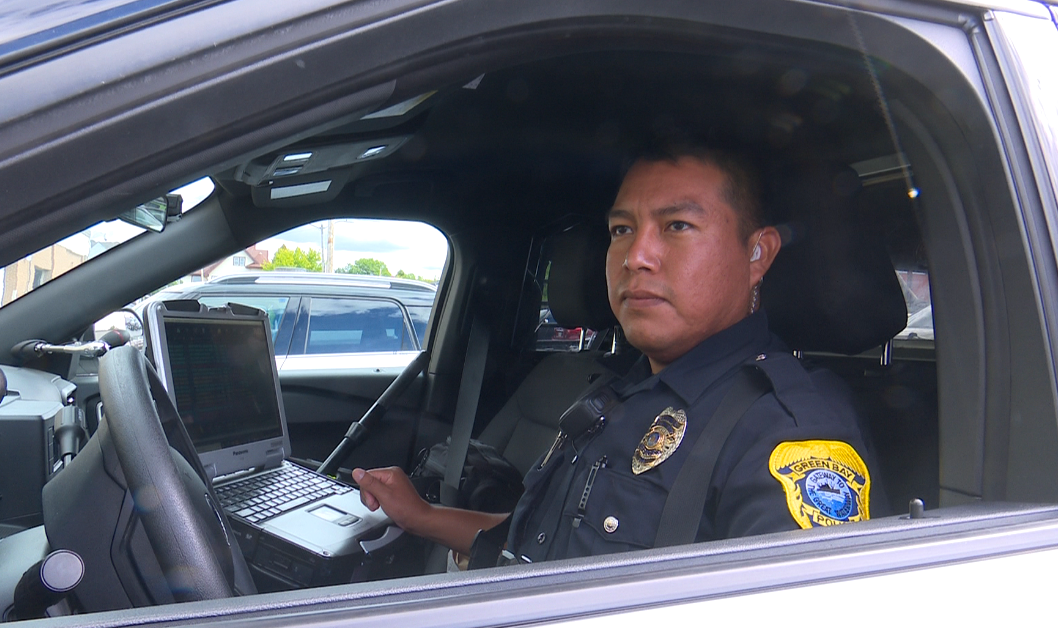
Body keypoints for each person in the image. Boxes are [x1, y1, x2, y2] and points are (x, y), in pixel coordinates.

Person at [352, 145, 881, 563]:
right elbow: (534, 545)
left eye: (677, 226)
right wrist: (422, 515)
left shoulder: (787, 430)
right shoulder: (617, 391)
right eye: (622, 230)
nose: (636, 256)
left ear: (757, 253)